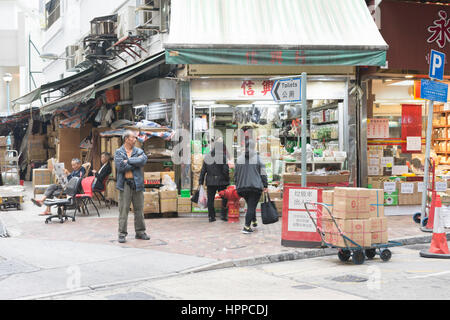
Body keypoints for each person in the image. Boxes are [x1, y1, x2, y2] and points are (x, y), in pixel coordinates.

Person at [115, 130, 149, 243]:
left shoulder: (138, 150)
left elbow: (143, 160)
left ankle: (140, 232)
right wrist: (135, 163)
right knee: (123, 210)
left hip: (137, 183)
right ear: (126, 139)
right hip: (125, 184)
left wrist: (128, 161)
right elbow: (120, 167)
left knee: (139, 209)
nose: (135, 139)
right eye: (133, 137)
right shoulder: (119, 152)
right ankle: (121, 234)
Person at [235, 138, 268, 234]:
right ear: (254, 147)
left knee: (250, 204)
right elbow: (263, 173)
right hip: (255, 187)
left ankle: (254, 221)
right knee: (252, 206)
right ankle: (246, 227)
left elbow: (236, 174)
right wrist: (265, 184)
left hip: (242, 187)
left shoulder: (239, 158)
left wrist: (237, 185)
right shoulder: (258, 158)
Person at [198, 140, 230, 222]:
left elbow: (203, 170)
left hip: (210, 181)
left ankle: (211, 217)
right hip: (221, 182)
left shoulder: (207, 157)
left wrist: (200, 181)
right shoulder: (223, 157)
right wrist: (227, 179)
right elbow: (225, 170)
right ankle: (223, 215)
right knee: (225, 198)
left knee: (210, 199)